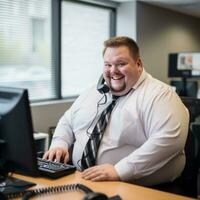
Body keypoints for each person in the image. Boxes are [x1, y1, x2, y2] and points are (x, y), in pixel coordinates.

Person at [43, 36, 189, 186]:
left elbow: (169, 140)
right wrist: (60, 143)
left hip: (137, 187)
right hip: (81, 181)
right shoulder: (93, 92)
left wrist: (119, 171)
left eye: (121, 64)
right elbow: (67, 121)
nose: (113, 71)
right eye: (108, 65)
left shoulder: (160, 95)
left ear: (138, 64)